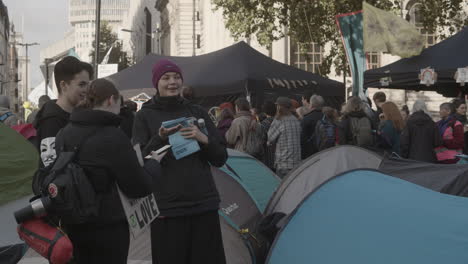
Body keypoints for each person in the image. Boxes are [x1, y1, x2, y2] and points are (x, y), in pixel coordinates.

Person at [132, 59, 227, 264]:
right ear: (156, 83)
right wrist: (160, 138)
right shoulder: (144, 116)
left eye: (176, 77)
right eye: (166, 78)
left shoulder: (197, 112)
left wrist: (203, 139)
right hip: (167, 207)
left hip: (203, 203)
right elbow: (139, 163)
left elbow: (220, 158)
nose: (172, 82)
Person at [57, 78, 161, 264]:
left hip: (72, 224)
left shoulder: (64, 132)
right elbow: (138, 187)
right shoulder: (113, 136)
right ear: (111, 100)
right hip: (107, 227)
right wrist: (153, 164)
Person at [33, 56, 93, 167]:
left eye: (88, 85)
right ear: (64, 85)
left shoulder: (76, 116)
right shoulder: (51, 121)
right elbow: (51, 167)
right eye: (82, 84)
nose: (86, 90)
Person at [268, 97, 301, 178]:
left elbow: (270, 138)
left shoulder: (279, 120)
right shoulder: (296, 120)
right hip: (296, 162)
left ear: (279, 107)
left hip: (284, 162)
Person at [301, 94, 324, 159]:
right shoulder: (327, 117)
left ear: (311, 105)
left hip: (310, 154)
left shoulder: (306, 118)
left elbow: (302, 138)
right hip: (326, 151)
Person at [260, 100, 276, 170]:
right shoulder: (280, 120)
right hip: (281, 154)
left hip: (269, 155)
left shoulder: (264, 123)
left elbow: (262, 140)